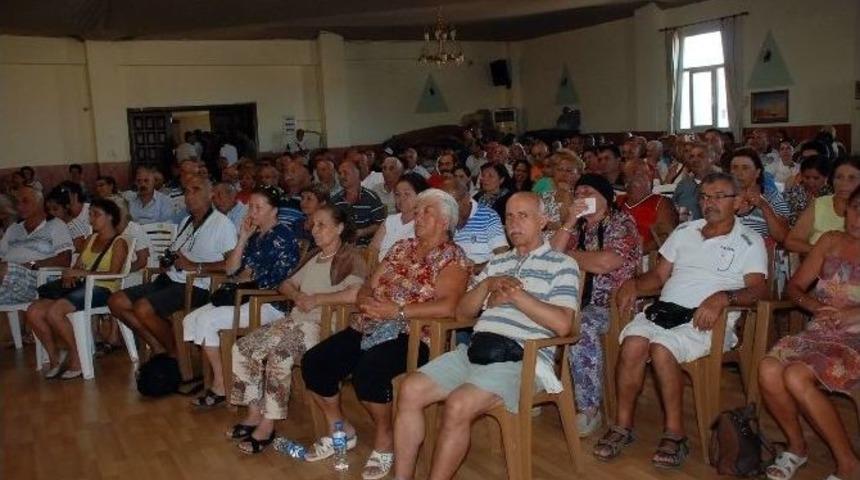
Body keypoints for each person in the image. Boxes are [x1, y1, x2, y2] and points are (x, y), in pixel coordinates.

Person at [393, 192, 580, 480]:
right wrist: (489, 284)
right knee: (410, 389)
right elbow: (462, 314)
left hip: (521, 359)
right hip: (476, 351)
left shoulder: (562, 264)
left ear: (543, 221)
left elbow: (563, 325)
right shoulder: (497, 263)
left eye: (523, 215)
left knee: (457, 404)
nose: (514, 223)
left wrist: (518, 297)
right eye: (509, 217)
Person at [595, 172, 768, 468]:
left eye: (718, 196)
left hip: (708, 321)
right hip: (665, 311)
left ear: (737, 202)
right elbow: (658, 277)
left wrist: (723, 297)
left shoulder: (748, 240)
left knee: (662, 349)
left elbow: (758, 288)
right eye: (704, 196)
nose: (708, 203)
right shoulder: (685, 231)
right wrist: (634, 284)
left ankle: (675, 433)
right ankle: (622, 426)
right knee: (634, 343)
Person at [300, 189, 469, 480]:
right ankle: (341, 428)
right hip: (370, 323)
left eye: (425, 211)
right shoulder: (401, 247)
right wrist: (366, 300)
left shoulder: (452, 256)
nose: (417, 217)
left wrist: (397, 311)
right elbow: (369, 284)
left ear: (445, 220)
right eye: (416, 212)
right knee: (315, 362)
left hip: (414, 334)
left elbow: (448, 305)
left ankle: (385, 438)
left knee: (370, 373)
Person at [227, 204, 367, 453]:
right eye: (313, 225)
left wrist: (317, 299)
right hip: (295, 320)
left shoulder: (350, 257)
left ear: (340, 228)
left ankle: (268, 425)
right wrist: (296, 294)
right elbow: (286, 283)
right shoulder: (314, 255)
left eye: (322, 224)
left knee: (279, 355)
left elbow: (356, 293)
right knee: (244, 347)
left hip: (322, 325)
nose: (315, 230)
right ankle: (253, 414)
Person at [759, 186, 860, 480]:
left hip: (856, 336)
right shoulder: (830, 241)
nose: (857, 217)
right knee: (767, 368)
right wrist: (815, 306)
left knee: (794, 375)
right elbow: (794, 287)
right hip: (822, 331)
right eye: (854, 208)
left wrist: (851, 314)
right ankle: (797, 446)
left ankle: (848, 463)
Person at [182, 185, 298, 407]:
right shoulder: (254, 236)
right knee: (191, 319)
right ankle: (222, 378)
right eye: (250, 207)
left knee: (207, 320)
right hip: (243, 295)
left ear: (273, 211)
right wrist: (244, 237)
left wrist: (246, 278)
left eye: (258, 207)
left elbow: (279, 279)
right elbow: (230, 269)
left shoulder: (283, 235)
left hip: (268, 303)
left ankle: (222, 384)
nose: (252, 212)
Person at [550, 174, 641, 435]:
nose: (581, 197)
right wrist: (569, 221)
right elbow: (549, 257)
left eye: (588, 192)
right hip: (573, 301)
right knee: (538, 314)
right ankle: (539, 385)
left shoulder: (620, 222)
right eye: (577, 193)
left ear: (605, 197)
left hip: (612, 305)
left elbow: (606, 262)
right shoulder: (577, 228)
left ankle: (590, 409)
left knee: (582, 326)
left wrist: (566, 257)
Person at [108, 176, 237, 358]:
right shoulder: (186, 222)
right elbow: (177, 253)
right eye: (186, 191)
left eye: (196, 190)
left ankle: (175, 354)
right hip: (171, 279)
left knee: (143, 308)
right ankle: (158, 346)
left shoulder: (222, 224)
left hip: (198, 285)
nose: (189, 196)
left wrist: (195, 266)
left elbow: (232, 266)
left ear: (211, 195)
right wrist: (168, 261)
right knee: (117, 301)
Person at [24, 199, 128, 380]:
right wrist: (70, 274)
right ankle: (55, 358)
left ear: (110, 217)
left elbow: (113, 274)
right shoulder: (90, 239)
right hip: (82, 287)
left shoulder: (119, 242)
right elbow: (79, 265)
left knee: (55, 312)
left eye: (96, 214)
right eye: (90, 214)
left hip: (103, 289)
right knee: (33, 311)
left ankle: (77, 357)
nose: (91, 219)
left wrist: (79, 272)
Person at [0, 186, 73, 305]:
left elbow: (65, 259)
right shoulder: (14, 228)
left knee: (4, 268)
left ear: (40, 202)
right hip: (7, 281)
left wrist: (33, 264)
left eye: (25, 201)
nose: (20, 206)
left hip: (37, 279)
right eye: (17, 202)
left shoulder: (55, 225)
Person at [784, 156, 860, 254]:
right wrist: (823, 253)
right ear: (831, 180)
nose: (844, 183)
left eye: (851, 178)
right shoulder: (819, 204)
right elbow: (791, 242)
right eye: (839, 177)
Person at [440, 178, 508, 272]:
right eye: (444, 203)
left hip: (483, 277)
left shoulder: (488, 216)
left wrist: (472, 269)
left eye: (454, 202)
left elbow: (503, 257)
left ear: (467, 198)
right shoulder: (441, 220)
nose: (449, 208)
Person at [730, 147, 791, 243]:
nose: (738, 173)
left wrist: (763, 205)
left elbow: (782, 237)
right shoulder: (724, 196)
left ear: (757, 172)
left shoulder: (772, 196)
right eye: (734, 167)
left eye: (745, 168)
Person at [620, 162, 678, 253]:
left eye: (638, 173)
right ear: (624, 179)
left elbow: (665, 237)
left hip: (646, 258)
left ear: (650, 176)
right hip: (615, 256)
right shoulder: (617, 202)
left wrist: (635, 253)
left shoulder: (661, 202)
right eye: (628, 175)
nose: (633, 178)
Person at [369, 174, 429, 262]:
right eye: (397, 194)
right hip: (376, 269)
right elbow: (373, 248)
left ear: (420, 196)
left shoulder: (423, 224)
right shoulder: (389, 220)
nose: (401, 198)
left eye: (406, 194)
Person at [332, 160, 386, 246]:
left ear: (357, 174)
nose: (341, 176)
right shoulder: (335, 201)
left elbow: (381, 224)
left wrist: (361, 232)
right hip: (341, 247)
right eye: (339, 173)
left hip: (367, 247)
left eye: (345, 173)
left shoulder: (371, 198)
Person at [538, 152, 584, 231]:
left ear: (578, 175)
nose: (563, 174)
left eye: (569, 171)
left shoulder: (582, 198)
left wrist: (567, 192)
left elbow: (570, 225)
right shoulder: (543, 197)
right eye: (559, 169)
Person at [673, 142, 718, 221]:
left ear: (712, 159)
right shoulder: (683, 185)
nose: (695, 160)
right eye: (691, 157)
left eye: (701, 156)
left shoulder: (723, 184)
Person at [45, 184, 90, 253]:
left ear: (66, 207)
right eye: (49, 209)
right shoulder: (52, 225)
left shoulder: (75, 226)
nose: (51, 212)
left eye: (55, 209)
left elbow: (84, 249)